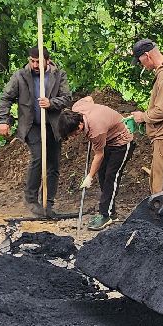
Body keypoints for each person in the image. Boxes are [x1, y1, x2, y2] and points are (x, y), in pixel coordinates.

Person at [0, 49, 74, 217]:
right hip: (32, 125)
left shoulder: (58, 75)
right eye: (32, 61)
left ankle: (48, 203)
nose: (35, 65)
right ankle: (31, 200)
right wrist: (3, 120)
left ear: (48, 60)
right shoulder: (20, 76)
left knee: (53, 165)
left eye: (38, 61)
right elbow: (6, 98)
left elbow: (67, 98)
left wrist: (51, 103)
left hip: (53, 126)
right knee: (38, 157)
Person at [57, 96, 133, 229]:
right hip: (108, 139)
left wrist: (89, 177)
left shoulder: (96, 131)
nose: (74, 136)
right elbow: (89, 98)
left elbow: (99, 155)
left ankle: (106, 215)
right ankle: (111, 212)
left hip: (122, 142)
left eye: (74, 133)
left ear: (80, 125)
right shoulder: (77, 107)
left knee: (111, 177)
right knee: (102, 175)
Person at [128, 39, 163, 193]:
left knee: (162, 192)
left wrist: (143, 117)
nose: (141, 65)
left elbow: (162, 111)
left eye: (140, 61)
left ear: (147, 56)